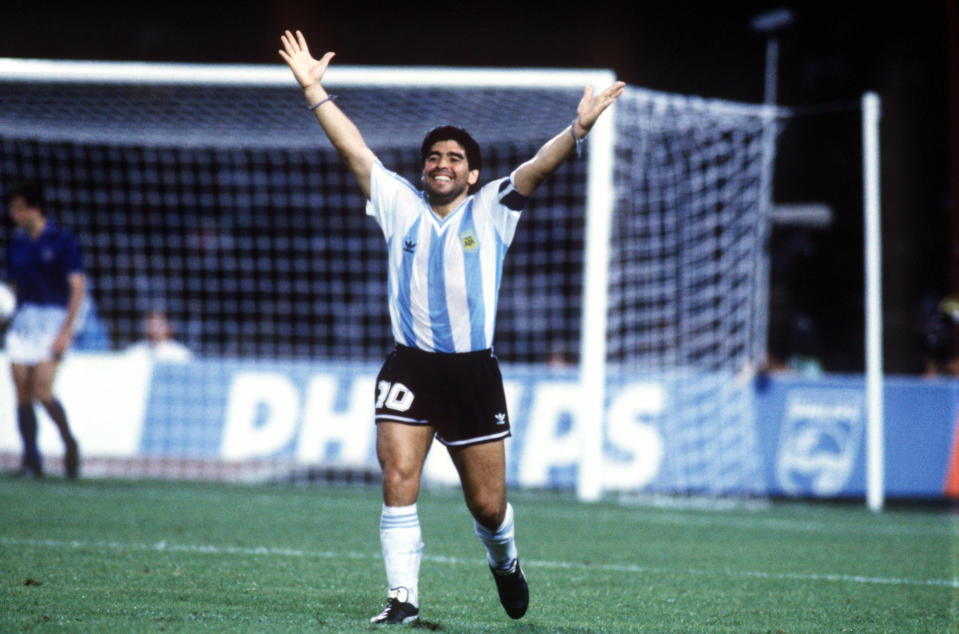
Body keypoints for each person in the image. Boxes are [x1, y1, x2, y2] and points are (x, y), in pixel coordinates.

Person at [279, 29, 624, 625]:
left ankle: (506, 562)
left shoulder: (491, 208)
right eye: (434, 157)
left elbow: (537, 169)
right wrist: (315, 91)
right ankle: (401, 600)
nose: (441, 164)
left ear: (472, 175)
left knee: (488, 507)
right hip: (408, 365)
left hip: (471, 372)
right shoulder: (398, 203)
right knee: (397, 475)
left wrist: (577, 131)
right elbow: (357, 151)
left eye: (454, 159)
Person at [4, 181, 86, 479]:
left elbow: (77, 287)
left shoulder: (61, 240)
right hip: (25, 320)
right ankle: (31, 459)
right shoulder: (17, 246)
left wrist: (66, 330)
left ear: (32, 209)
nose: (13, 215)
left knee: (42, 389)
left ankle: (69, 442)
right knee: (21, 389)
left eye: (17, 209)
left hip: (53, 318)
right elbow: (13, 289)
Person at [125, 308, 193, 362]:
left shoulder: (180, 355)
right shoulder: (135, 352)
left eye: (158, 324)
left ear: (169, 327)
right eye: (151, 324)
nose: (154, 329)